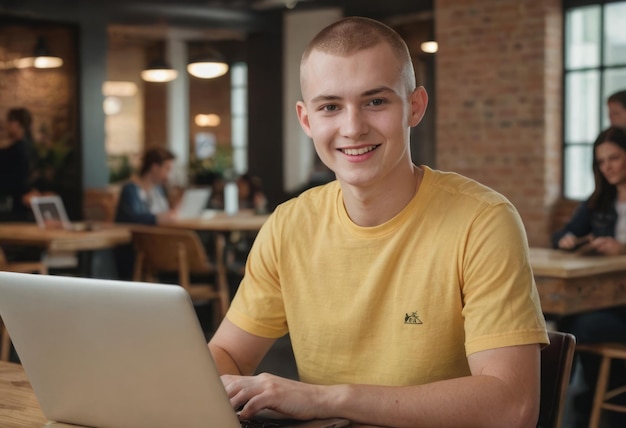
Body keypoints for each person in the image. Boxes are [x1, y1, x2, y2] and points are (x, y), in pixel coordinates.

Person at [208, 16, 548, 427]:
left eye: (375, 101)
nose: (352, 127)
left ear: (415, 107)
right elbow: (227, 354)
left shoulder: (483, 222)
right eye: (330, 106)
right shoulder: (289, 225)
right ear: (306, 120)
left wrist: (328, 399)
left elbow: (512, 406)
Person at [552, 126, 626, 427]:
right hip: (605, 302)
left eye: (614, 158)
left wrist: (622, 248)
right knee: (568, 321)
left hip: (618, 307)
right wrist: (567, 240)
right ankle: (591, 396)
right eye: (601, 161)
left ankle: (567, 400)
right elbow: (561, 235)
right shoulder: (599, 203)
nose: (606, 167)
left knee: (571, 326)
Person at [114, 146, 178, 279]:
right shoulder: (131, 190)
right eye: (166, 169)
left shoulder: (158, 191)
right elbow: (130, 219)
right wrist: (156, 219)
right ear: (154, 167)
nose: (168, 175)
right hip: (138, 250)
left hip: (159, 246)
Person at [0, 107, 37, 222]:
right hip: (22, 205)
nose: (6, 126)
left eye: (8, 122)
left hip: (13, 206)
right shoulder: (30, 147)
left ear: (15, 124)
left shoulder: (15, 150)